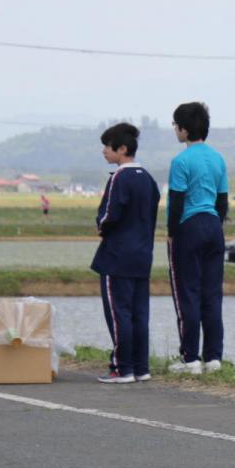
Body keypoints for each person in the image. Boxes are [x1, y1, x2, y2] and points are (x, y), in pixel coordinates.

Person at [91, 122, 161, 384]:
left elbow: (108, 215)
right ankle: (141, 367)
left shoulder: (119, 177)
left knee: (118, 312)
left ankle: (122, 368)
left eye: (107, 147)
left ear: (121, 149)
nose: (103, 151)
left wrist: (100, 226)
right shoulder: (149, 179)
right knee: (139, 313)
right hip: (143, 255)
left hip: (117, 256)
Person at [166, 102, 229, 375]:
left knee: (188, 293)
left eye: (175, 125)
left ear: (184, 129)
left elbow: (176, 201)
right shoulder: (218, 159)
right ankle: (213, 358)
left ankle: (190, 358)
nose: (174, 129)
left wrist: (170, 233)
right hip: (214, 226)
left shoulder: (181, 161)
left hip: (189, 226)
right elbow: (223, 201)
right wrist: (215, 222)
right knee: (212, 294)